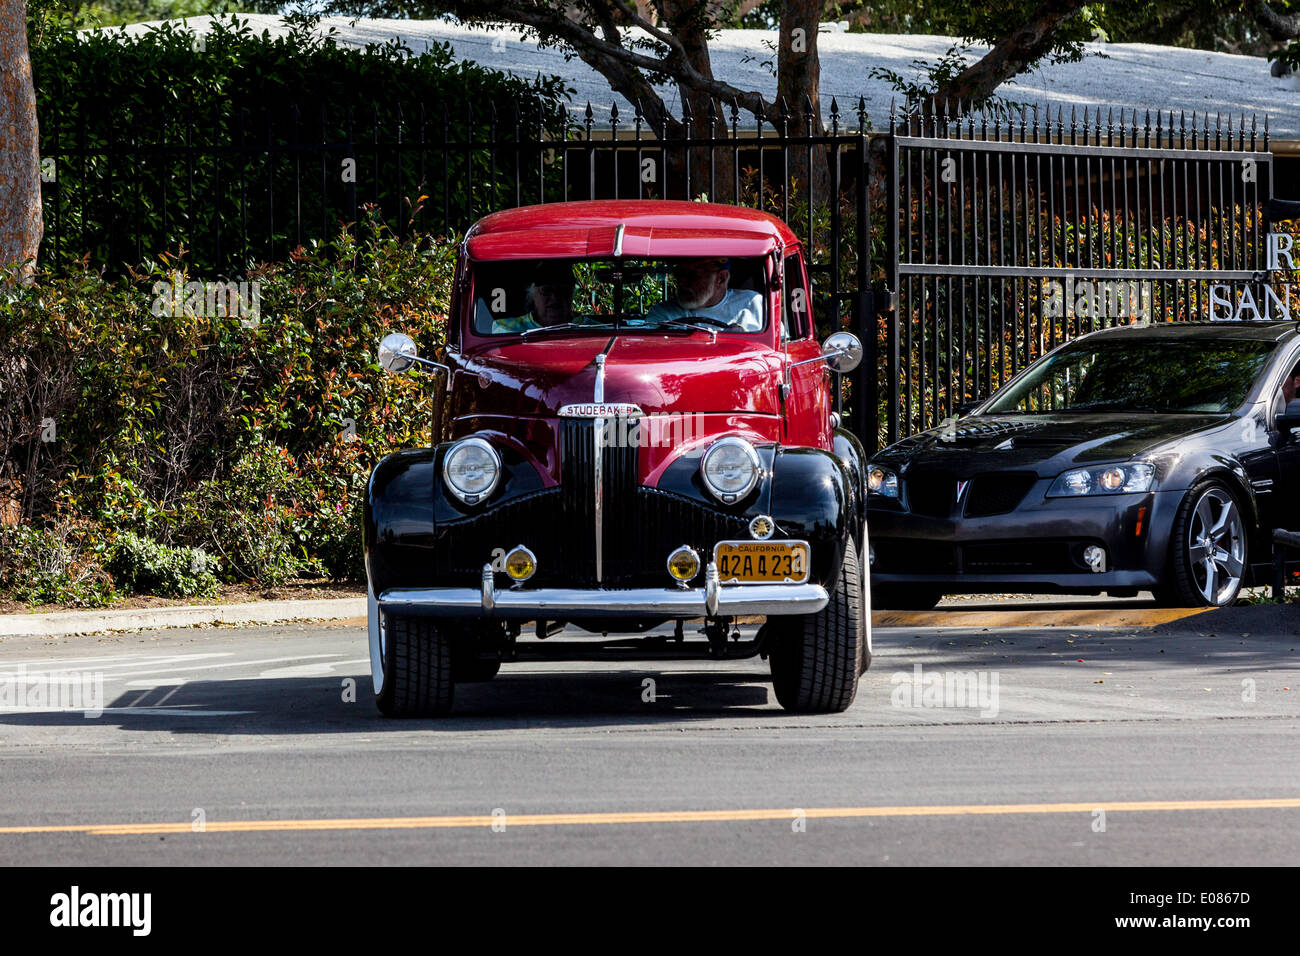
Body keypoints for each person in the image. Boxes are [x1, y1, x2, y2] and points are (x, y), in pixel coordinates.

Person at [646, 257, 762, 331]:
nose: (682, 282)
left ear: (721, 278)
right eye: (680, 273)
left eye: (693, 275)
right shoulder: (663, 315)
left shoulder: (753, 304)